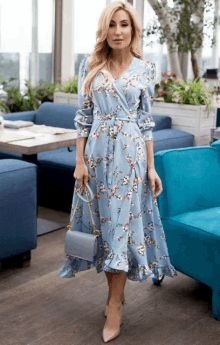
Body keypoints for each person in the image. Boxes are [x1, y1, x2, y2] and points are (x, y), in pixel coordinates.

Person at [58, 1, 178, 342]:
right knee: (105, 229)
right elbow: (83, 117)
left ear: (133, 30)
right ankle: (116, 293)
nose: (118, 31)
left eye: (124, 24)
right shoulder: (91, 65)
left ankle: (114, 305)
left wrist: (152, 168)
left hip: (131, 161)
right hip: (96, 159)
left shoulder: (145, 69)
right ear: (104, 30)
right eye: (112, 25)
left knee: (122, 230)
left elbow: (145, 123)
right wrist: (80, 162)